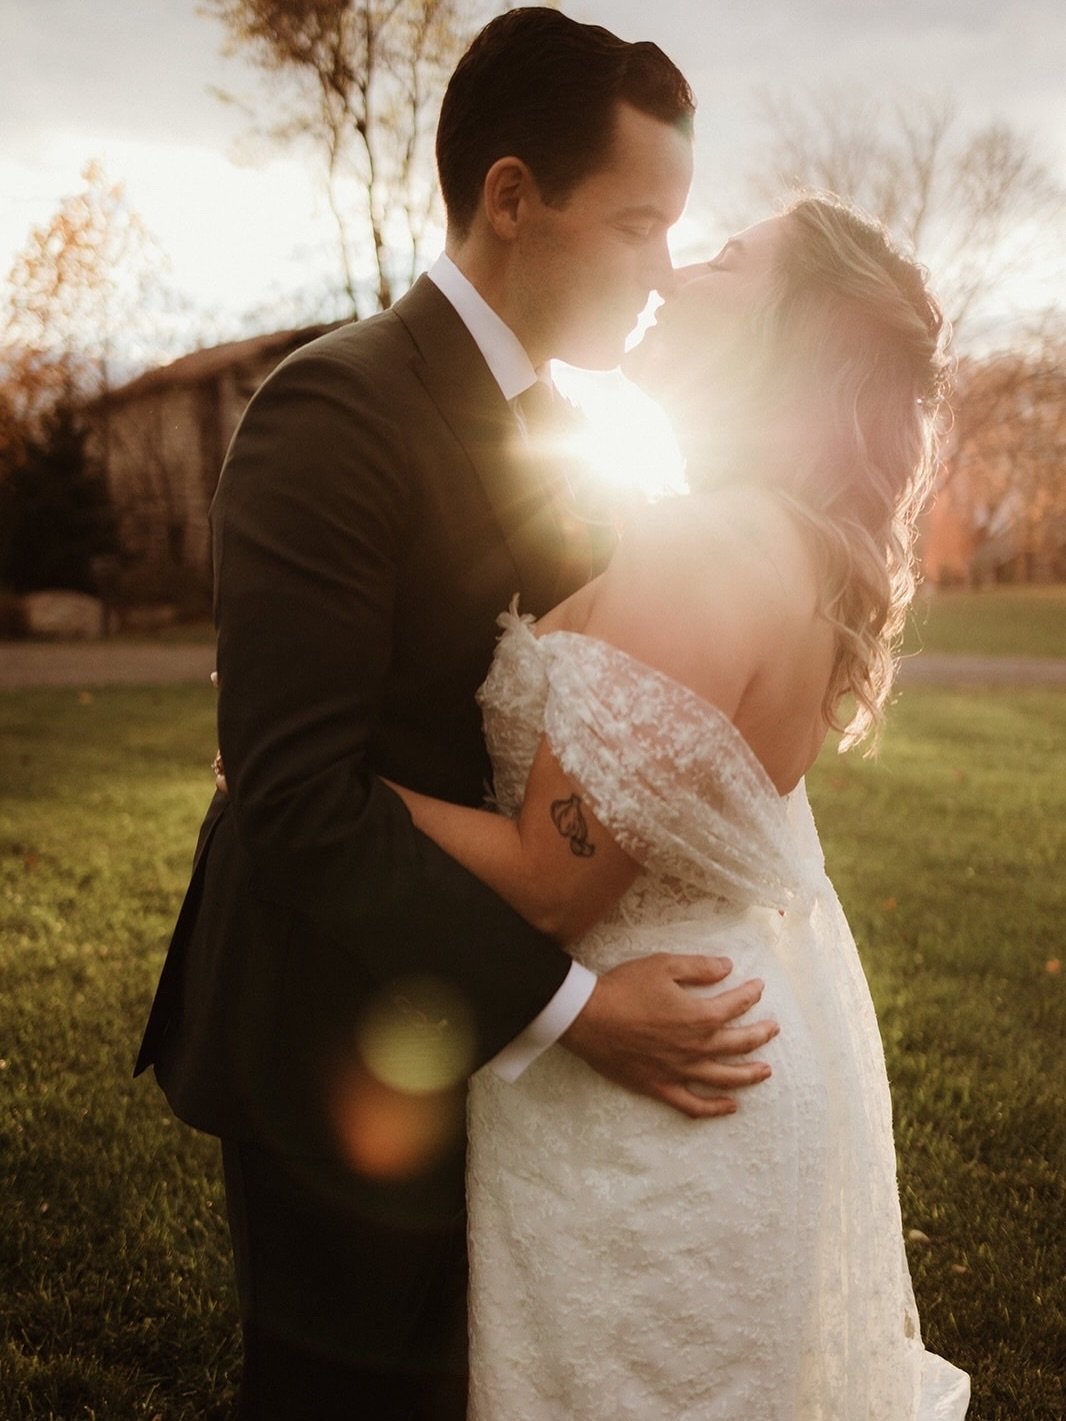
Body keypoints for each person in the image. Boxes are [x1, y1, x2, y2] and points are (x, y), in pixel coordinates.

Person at [134, 9, 781, 1419]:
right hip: (332, 1034)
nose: (663, 271)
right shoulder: (332, 414)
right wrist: (573, 1011)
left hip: (475, 1024)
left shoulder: (560, 431)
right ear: (510, 198)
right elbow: (293, 799)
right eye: (634, 225)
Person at [386, 195, 972, 1417]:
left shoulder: (705, 546)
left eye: (725, 259)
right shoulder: (797, 547)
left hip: (653, 1100)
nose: (678, 267)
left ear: (784, 338)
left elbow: (551, 879)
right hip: (712, 1064)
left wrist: (329, 782)